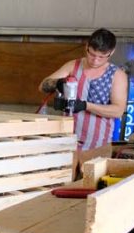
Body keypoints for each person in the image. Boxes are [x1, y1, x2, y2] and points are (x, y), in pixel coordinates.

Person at [39, 28, 128, 179]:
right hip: (68, 143)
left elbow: (118, 110)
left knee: (92, 188)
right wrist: (57, 83)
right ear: (87, 46)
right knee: (62, 185)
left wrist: (86, 106)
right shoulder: (73, 66)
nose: (95, 60)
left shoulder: (117, 75)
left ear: (111, 52)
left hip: (97, 146)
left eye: (101, 57)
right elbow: (42, 86)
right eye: (92, 54)